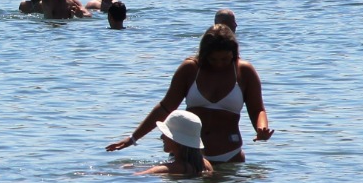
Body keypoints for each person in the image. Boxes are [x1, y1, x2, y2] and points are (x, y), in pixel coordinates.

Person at [106, 24, 272, 165]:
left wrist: (261, 128)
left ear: (234, 53)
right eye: (213, 59)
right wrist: (133, 138)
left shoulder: (244, 71)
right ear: (204, 54)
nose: (219, 64)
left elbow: (257, 109)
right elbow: (165, 107)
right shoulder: (190, 69)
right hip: (187, 155)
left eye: (225, 59)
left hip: (229, 156)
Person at [133, 109, 212, 178]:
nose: (161, 137)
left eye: (166, 134)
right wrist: (135, 166)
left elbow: (136, 177)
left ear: (176, 140)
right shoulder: (205, 164)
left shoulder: (166, 170)